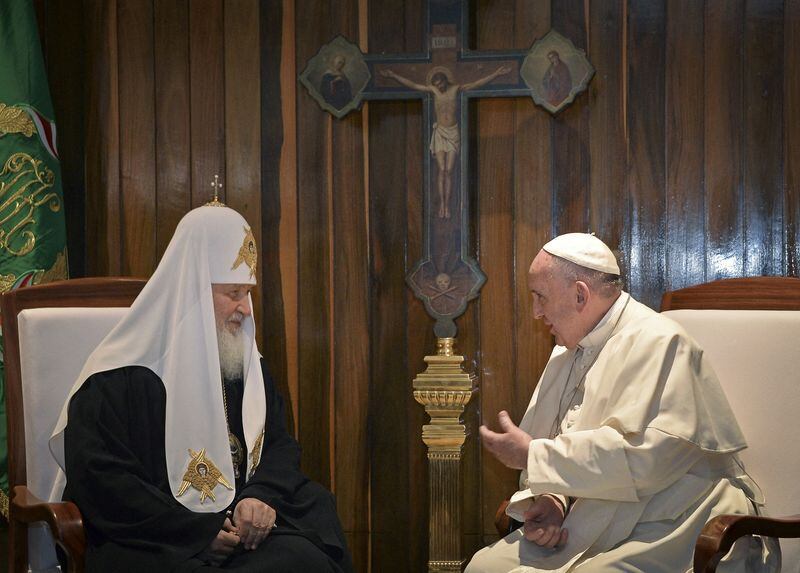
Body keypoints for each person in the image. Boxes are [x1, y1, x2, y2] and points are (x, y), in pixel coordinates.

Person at [48, 202, 354, 572]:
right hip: (153, 540)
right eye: (234, 293)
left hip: (240, 533)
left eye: (248, 293)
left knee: (308, 555)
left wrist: (259, 497)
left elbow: (280, 446)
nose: (246, 309)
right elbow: (101, 481)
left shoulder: (245, 365)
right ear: (190, 289)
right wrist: (195, 532)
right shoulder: (117, 377)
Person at [466, 233, 777, 572]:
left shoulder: (660, 341)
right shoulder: (567, 352)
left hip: (674, 519)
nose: (536, 312)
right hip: (593, 514)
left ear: (580, 294)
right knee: (484, 567)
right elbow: (571, 442)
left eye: (540, 297)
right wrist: (555, 499)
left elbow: (643, 461)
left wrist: (532, 455)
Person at [380, 64, 510, 219]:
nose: (438, 87)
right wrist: (393, 75)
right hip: (440, 132)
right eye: (436, 85)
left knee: (449, 170)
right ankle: (443, 204)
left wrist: (496, 73)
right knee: (441, 169)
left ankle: (447, 204)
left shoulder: (456, 89)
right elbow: (413, 85)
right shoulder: (434, 91)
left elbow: (476, 83)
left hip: (453, 132)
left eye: (440, 84)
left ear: (445, 80)